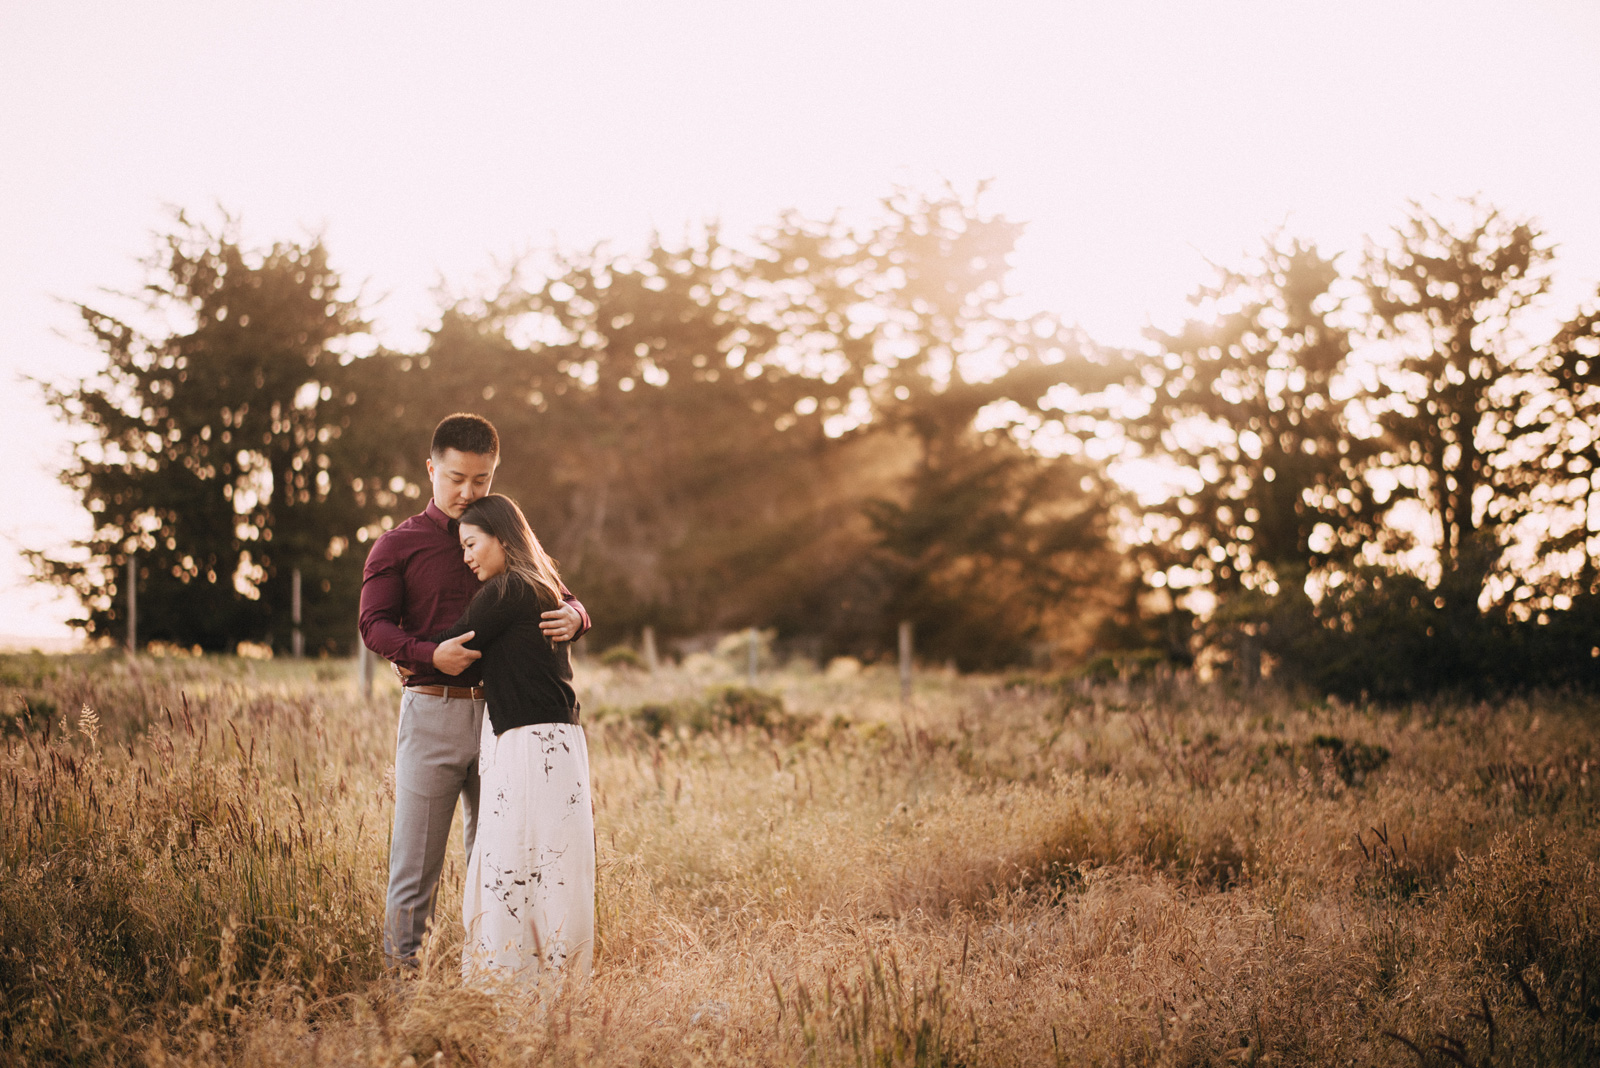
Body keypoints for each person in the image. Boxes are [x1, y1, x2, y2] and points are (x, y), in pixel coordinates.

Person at [358, 414, 590, 971]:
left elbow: (556, 590)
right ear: (431, 469)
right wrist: (425, 655)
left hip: (503, 722)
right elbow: (374, 626)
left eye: (481, 480)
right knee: (414, 869)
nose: (468, 492)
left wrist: (578, 616)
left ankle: (490, 983)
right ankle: (403, 993)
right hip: (433, 715)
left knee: (496, 862)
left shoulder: (503, 536)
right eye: (457, 478)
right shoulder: (398, 545)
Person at [431, 493, 594, 982]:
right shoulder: (542, 587)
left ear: (501, 538)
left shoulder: (507, 592)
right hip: (560, 744)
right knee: (555, 867)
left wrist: (413, 654)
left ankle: (507, 991)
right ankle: (558, 991)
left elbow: (455, 646)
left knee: (513, 863)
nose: (466, 557)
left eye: (472, 543)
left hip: (528, 745)